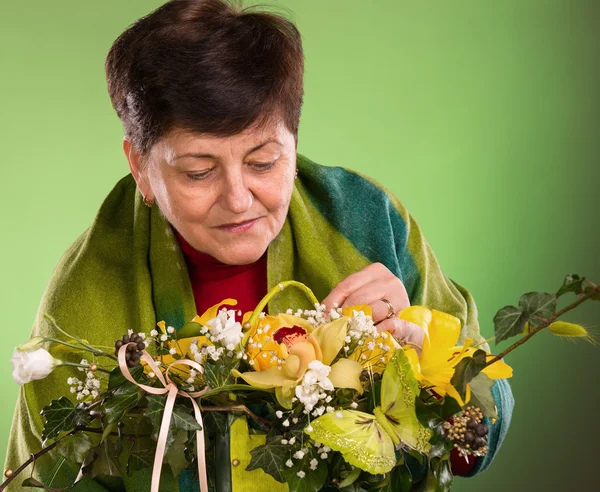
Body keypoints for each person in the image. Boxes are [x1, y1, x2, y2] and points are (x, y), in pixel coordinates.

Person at [4, 0, 513, 490]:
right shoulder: (86, 290)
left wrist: (425, 364)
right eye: (199, 171)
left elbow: (485, 428)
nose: (239, 199)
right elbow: (38, 481)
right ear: (140, 166)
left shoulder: (367, 221)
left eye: (264, 162)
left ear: (293, 141)